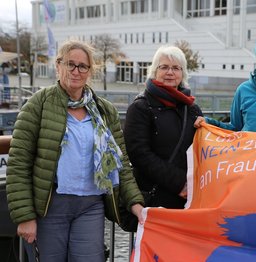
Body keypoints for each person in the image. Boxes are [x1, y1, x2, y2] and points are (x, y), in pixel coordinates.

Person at [6, 40, 144, 262]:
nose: (76, 71)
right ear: (58, 65)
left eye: (83, 66)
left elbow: (121, 164)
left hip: (90, 206)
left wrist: (136, 204)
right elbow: (19, 164)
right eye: (70, 64)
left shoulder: (104, 110)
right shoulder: (37, 105)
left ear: (90, 71)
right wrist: (25, 217)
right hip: (51, 207)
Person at [124, 45, 203, 212]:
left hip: (190, 199)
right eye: (164, 67)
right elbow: (139, 154)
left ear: (183, 74)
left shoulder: (192, 109)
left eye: (176, 68)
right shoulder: (141, 108)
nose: (170, 72)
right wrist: (180, 183)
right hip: (156, 199)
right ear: (154, 71)